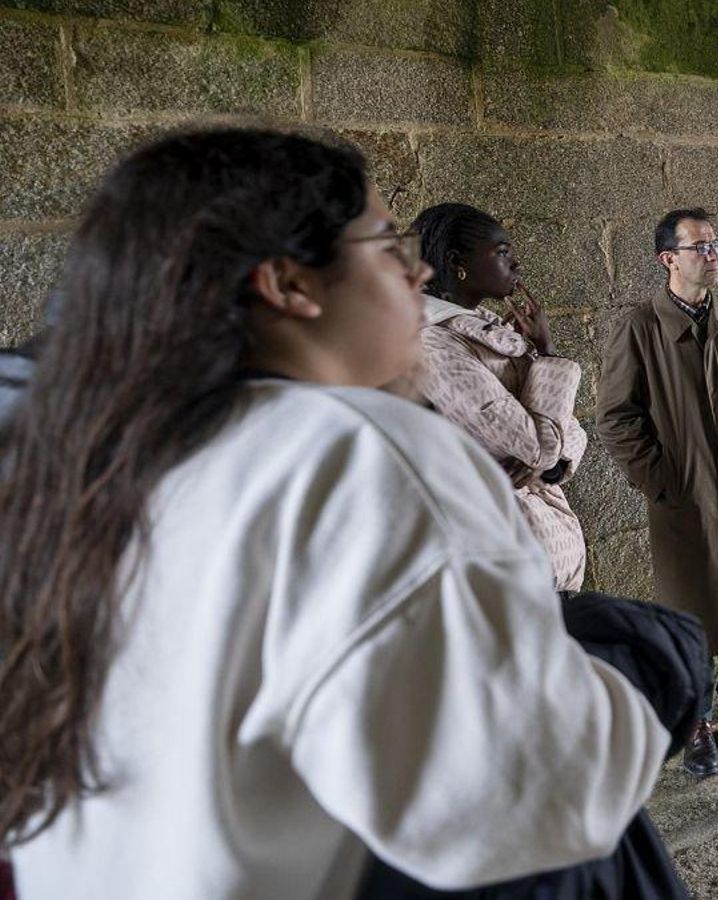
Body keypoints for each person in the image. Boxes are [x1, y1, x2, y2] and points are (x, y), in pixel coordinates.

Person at [0, 129, 679, 898]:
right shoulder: (359, 453)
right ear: (289, 284)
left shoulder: (101, 451)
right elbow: (545, 794)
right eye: (388, 245)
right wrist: (658, 668)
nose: (416, 271)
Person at [595, 208, 718, 779]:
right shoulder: (640, 327)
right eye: (700, 247)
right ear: (669, 259)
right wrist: (662, 482)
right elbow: (614, 418)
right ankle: (696, 722)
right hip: (685, 501)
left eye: (716, 245)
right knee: (693, 611)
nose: (713, 255)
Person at [409, 202, 589, 593]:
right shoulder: (435, 344)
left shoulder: (492, 336)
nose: (517, 263)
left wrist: (553, 468)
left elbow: (571, 432)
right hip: (507, 562)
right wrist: (550, 357)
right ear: (458, 263)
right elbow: (538, 443)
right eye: (502, 252)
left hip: (543, 552)